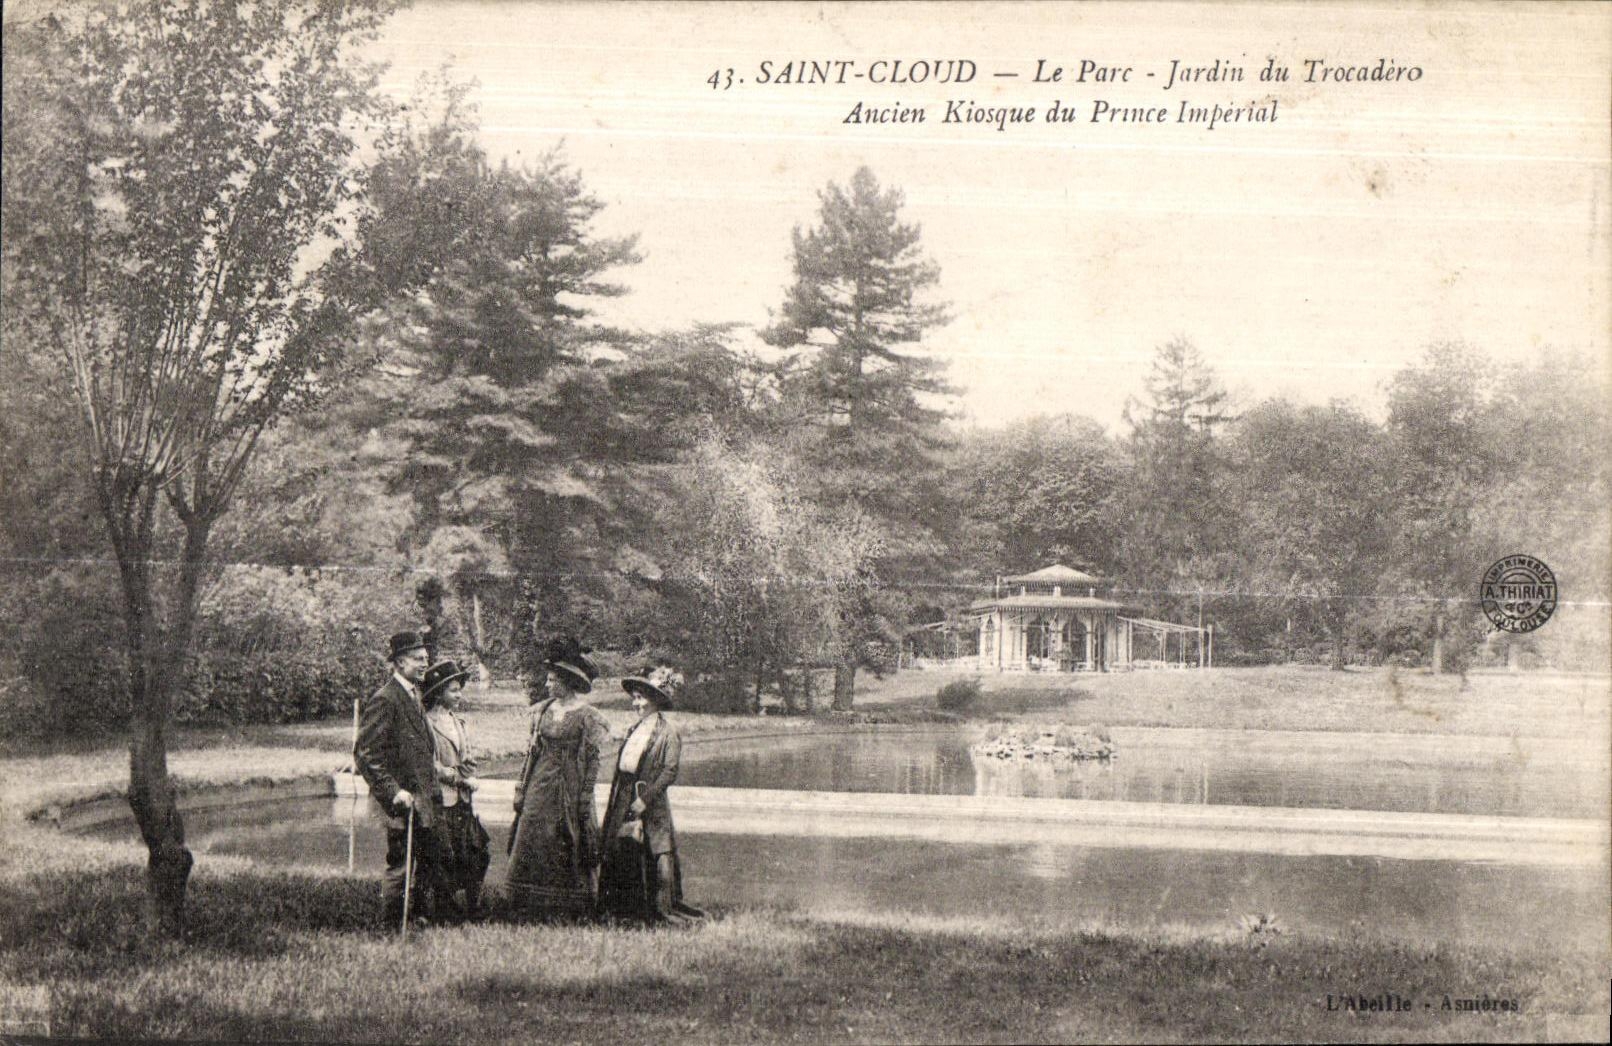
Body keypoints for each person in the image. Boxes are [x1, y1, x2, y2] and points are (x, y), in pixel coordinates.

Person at [505, 635, 611, 918]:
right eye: (548, 679)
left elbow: (593, 759)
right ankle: (528, 901)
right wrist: (521, 787)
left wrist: (585, 794)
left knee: (568, 835)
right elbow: (532, 753)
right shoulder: (542, 711)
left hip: (571, 784)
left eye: (552, 680)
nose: (547, 684)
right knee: (533, 828)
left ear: (567, 682)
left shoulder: (589, 716)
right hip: (541, 781)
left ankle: (569, 904)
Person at [353, 631, 450, 928]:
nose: (425, 664)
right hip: (401, 800)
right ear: (399, 663)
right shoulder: (386, 699)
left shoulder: (413, 694)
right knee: (400, 864)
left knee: (428, 859)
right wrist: (393, 791)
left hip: (424, 796)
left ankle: (419, 918)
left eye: (426, 658)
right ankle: (392, 925)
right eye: (418, 659)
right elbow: (366, 753)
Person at [598, 666, 705, 925]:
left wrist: (644, 799)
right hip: (623, 795)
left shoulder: (667, 732)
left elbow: (669, 771)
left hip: (649, 799)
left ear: (655, 700)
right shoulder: (634, 729)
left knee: (652, 848)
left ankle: (653, 907)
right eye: (634, 698)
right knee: (620, 844)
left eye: (641, 698)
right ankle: (621, 908)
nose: (636, 703)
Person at [421, 659, 490, 921]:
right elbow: (430, 766)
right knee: (443, 854)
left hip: (463, 800)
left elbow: (468, 759)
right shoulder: (427, 723)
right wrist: (459, 778)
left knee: (476, 850)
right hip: (441, 799)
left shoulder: (458, 722)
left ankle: (473, 905)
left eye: (460, 690)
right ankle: (442, 909)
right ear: (439, 693)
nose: (459, 695)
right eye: (453, 690)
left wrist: (469, 774)